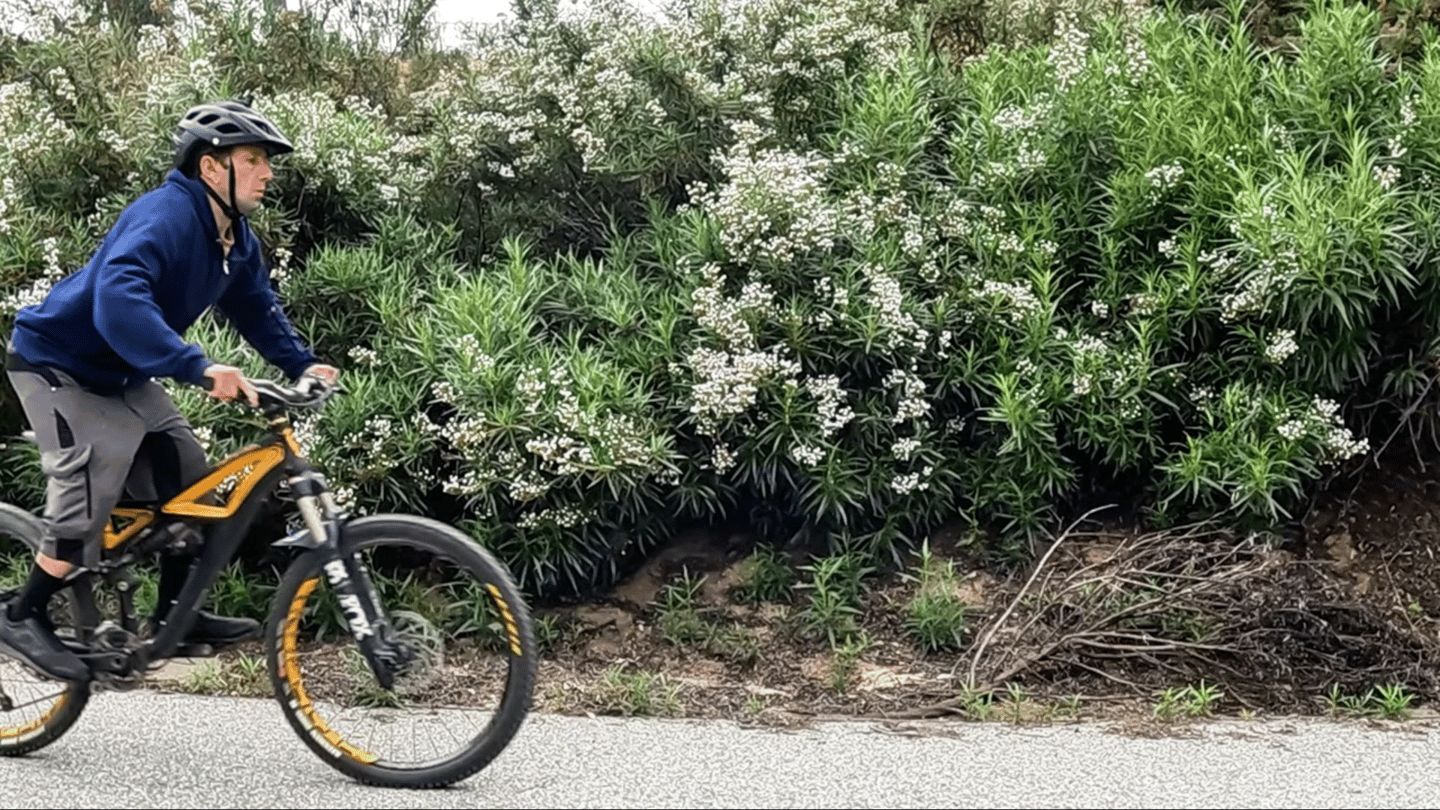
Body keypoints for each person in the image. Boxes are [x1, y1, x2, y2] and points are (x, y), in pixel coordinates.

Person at [0, 100, 339, 682]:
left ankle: (174, 617)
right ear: (212, 168)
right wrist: (199, 367)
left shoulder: (234, 238)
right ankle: (20, 614)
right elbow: (118, 302)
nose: (268, 172)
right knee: (86, 486)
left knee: (190, 481)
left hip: (121, 374)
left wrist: (305, 363)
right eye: (253, 159)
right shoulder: (167, 216)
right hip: (57, 365)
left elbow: (257, 310)